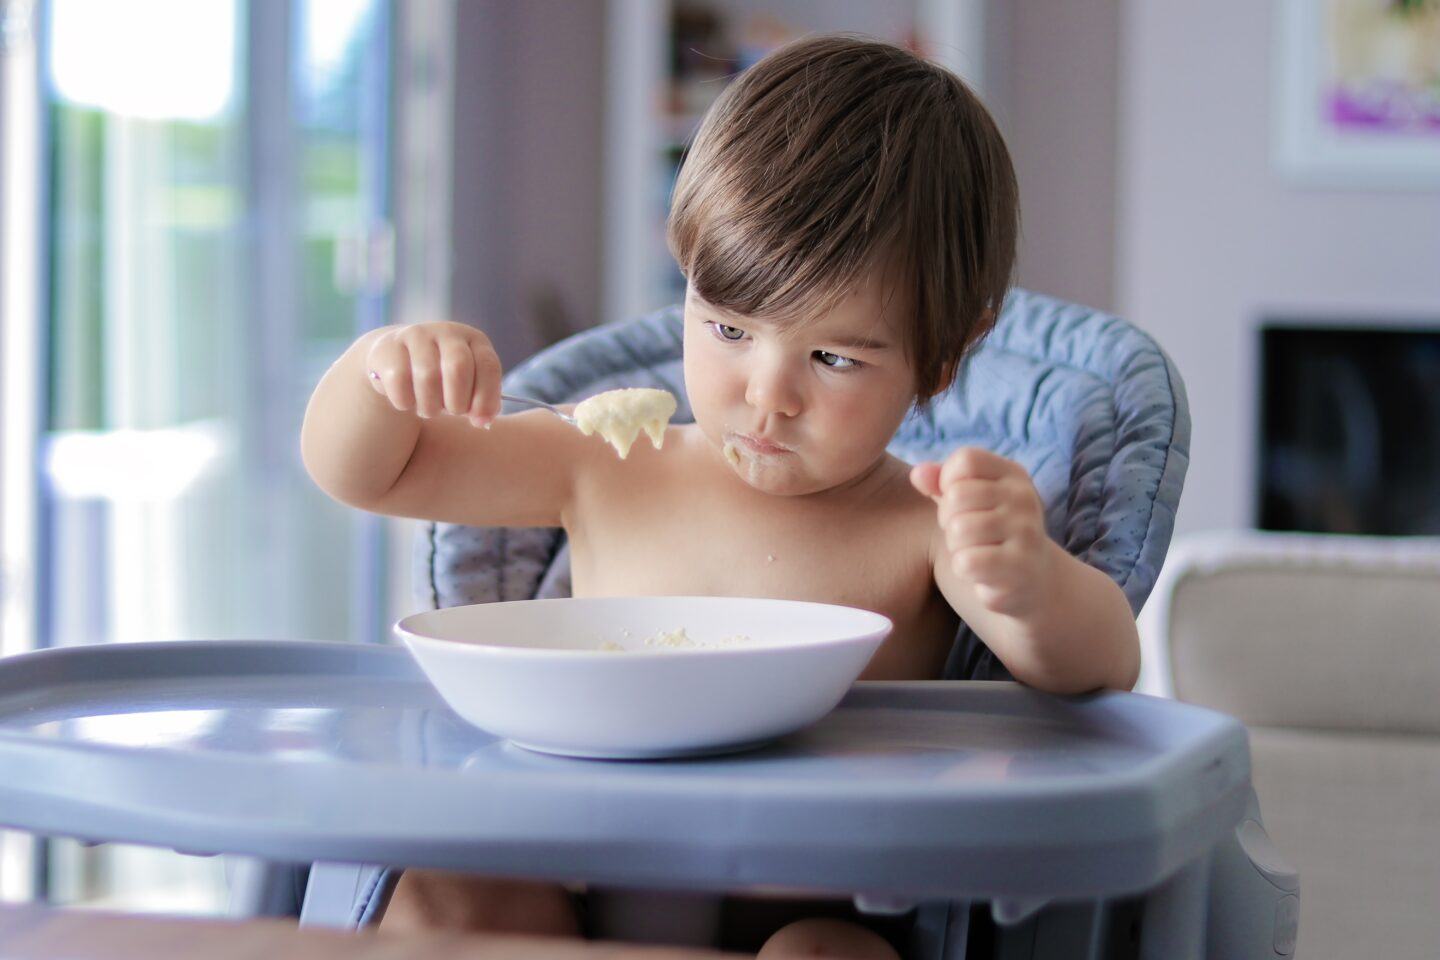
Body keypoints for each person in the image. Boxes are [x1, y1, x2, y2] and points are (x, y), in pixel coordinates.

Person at [301, 33, 1139, 960]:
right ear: (686, 280)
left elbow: (1098, 665)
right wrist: (380, 374)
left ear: (943, 355)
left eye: (833, 357)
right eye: (729, 327)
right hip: (583, 886)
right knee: (439, 890)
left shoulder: (921, 524)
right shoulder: (607, 462)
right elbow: (369, 472)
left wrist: (1026, 582)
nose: (767, 394)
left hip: (798, 910)